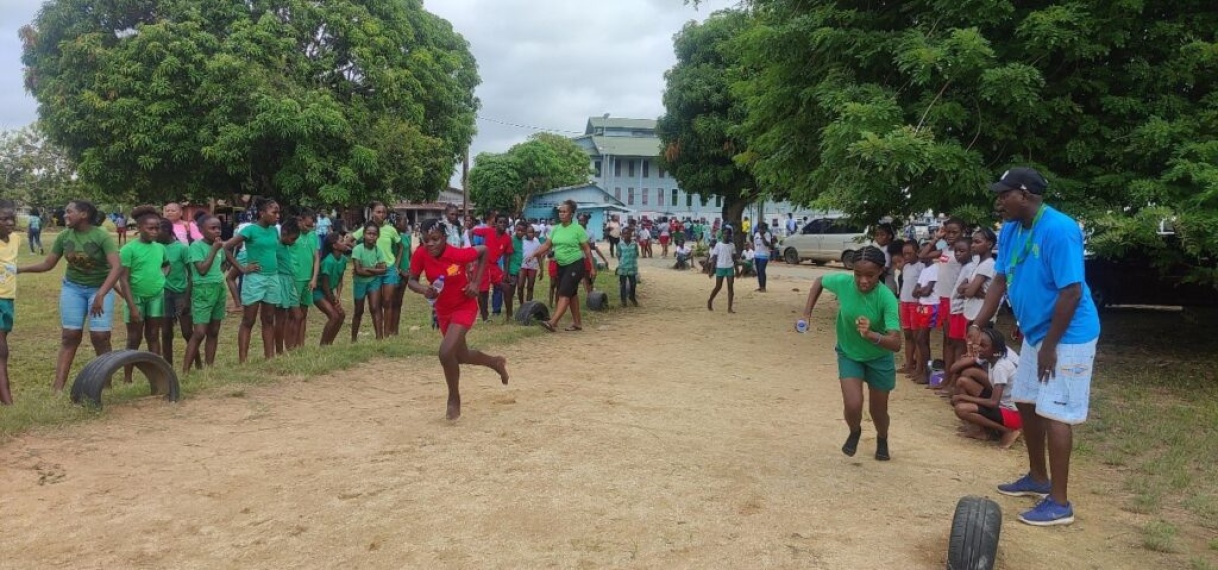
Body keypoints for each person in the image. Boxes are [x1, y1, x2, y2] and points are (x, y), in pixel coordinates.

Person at [970, 167, 1100, 526]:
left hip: (1068, 337)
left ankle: (1059, 503)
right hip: (1037, 333)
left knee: (1056, 411)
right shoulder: (1011, 230)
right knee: (1026, 400)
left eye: (1004, 194)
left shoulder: (1059, 230)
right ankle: (1037, 478)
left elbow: (1071, 291)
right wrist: (979, 322)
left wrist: (1050, 346)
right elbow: (999, 279)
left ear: (1024, 195)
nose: (998, 202)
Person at [800, 246, 902, 460]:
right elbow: (819, 280)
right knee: (853, 404)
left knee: (878, 411)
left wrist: (872, 335)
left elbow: (895, 343)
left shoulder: (886, 298)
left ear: (881, 272)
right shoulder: (844, 284)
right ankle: (854, 431)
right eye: (858, 274)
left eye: (870, 275)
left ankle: (882, 438)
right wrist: (806, 314)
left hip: (879, 357)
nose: (863, 280)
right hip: (849, 353)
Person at [406, 218, 508, 420]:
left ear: (444, 238)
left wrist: (476, 284)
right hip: (443, 311)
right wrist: (424, 290)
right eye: (426, 240)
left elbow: (484, 251)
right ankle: (495, 362)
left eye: (435, 239)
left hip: (464, 306)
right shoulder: (420, 254)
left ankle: (454, 397)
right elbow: (411, 280)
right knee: (460, 356)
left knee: (445, 352)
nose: (430, 244)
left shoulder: (456, 253)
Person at [18, 200, 124, 392]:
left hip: (99, 289)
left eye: (69, 212)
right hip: (73, 288)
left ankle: (105, 383)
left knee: (100, 337)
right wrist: (20, 269)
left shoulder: (101, 236)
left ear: (83, 214)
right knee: (69, 336)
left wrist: (101, 294)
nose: (65, 215)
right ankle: (57, 388)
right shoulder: (64, 236)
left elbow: (117, 267)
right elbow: (48, 264)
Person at [223, 198, 281, 363]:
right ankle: (243, 360)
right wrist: (241, 268)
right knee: (249, 319)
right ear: (262, 213)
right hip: (255, 279)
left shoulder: (274, 231)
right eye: (274, 212)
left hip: (272, 277)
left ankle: (269, 357)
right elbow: (227, 247)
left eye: (278, 212)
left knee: (269, 319)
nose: (278, 216)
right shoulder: (250, 230)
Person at [528, 200, 597, 332]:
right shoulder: (556, 229)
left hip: (575, 264)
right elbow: (547, 245)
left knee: (564, 293)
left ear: (571, 214)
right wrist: (534, 253)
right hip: (561, 265)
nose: (561, 214)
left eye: (565, 211)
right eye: (560, 211)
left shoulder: (578, 229)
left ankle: (553, 322)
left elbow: (587, 249)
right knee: (572, 294)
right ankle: (577, 323)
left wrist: (592, 268)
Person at [118, 207, 168, 383]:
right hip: (136, 299)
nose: (155, 232)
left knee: (154, 335)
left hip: (156, 297)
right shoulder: (128, 249)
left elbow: (166, 265)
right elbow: (123, 280)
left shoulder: (160, 248)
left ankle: (158, 375)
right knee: (134, 338)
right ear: (139, 228)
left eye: (157, 228)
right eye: (150, 228)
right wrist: (132, 306)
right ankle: (127, 377)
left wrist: (162, 278)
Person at [951, 327, 1022, 449]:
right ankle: (980, 430)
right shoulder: (992, 359)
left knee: (961, 409)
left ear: (995, 349)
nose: (978, 348)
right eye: (978, 344)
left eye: (983, 346)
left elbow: (994, 403)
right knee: (963, 382)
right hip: (1003, 405)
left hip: (1012, 414)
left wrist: (964, 397)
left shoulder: (1001, 367)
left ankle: (1008, 430)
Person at [183, 215, 233, 373]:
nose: (217, 231)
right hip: (203, 290)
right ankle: (185, 371)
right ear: (201, 230)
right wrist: (214, 250)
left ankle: (209, 368)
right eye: (212, 228)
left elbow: (224, 263)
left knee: (214, 330)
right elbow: (202, 270)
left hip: (219, 288)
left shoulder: (219, 246)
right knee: (199, 332)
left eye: (219, 227)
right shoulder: (196, 247)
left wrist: (219, 275)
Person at [920, 217, 966, 381]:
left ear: (963, 232)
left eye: (955, 232)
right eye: (948, 232)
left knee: (955, 341)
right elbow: (923, 255)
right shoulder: (944, 248)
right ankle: (946, 377)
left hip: (956, 301)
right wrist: (937, 238)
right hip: (943, 300)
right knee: (947, 339)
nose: (951, 235)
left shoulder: (964, 252)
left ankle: (953, 379)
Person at [355, 202, 401, 337]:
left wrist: (397, 265)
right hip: (373, 271)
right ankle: (379, 335)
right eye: (378, 212)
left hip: (389, 269)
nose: (382, 215)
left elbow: (401, 246)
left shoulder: (391, 229)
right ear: (372, 213)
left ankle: (386, 334)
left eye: (384, 212)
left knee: (388, 301)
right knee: (376, 304)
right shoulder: (367, 229)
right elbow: (351, 238)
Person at [158, 218, 197, 370]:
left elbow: (191, 274)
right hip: (162, 294)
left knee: (187, 332)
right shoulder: (156, 248)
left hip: (180, 293)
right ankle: (168, 367)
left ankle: (196, 363)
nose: (154, 232)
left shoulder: (182, 249)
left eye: (158, 229)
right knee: (166, 333)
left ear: (167, 231)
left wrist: (187, 299)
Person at [941, 237, 974, 395]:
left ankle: (954, 383)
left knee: (959, 347)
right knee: (952, 344)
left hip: (962, 312)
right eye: (956, 251)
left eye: (962, 251)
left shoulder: (970, 267)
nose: (958, 254)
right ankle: (949, 380)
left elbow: (968, 288)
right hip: (955, 310)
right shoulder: (963, 266)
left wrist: (963, 289)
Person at [287, 208, 320, 348]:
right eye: (307, 225)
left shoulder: (313, 236)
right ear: (300, 221)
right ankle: (289, 345)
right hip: (295, 277)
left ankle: (300, 344)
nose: (309, 228)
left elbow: (316, 258)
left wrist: (314, 278)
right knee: (293, 314)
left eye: (311, 225)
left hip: (308, 279)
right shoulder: (292, 235)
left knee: (304, 312)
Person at [351, 222, 387, 342]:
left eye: (374, 234)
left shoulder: (378, 251)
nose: (371, 236)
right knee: (359, 310)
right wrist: (376, 270)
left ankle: (379, 337)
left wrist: (367, 269)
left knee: (375, 307)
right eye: (369, 233)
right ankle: (353, 338)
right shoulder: (357, 249)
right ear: (364, 235)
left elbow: (384, 270)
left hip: (373, 282)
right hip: (359, 282)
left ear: (378, 236)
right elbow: (358, 271)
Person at [314, 232, 351, 346]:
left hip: (329, 292)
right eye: (341, 240)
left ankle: (329, 343)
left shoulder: (344, 259)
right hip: (319, 292)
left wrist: (338, 296)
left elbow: (340, 279)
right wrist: (334, 301)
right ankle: (323, 345)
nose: (345, 242)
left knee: (341, 315)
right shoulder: (328, 262)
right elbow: (325, 286)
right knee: (334, 316)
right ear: (334, 246)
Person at [0, 201, 20, 404]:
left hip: (7, 299)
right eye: (4, 219)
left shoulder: (15, 239)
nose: (9, 222)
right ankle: (8, 402)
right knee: (1, 350)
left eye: (11, 218)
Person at [896, 242, 924, 377]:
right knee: (907, 334)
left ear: (917, 252)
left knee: (916, 335)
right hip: (904, 303)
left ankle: (919, 365)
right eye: (904, 254)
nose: (906, 256)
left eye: (909, 253)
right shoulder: (906, 267)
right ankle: (908, 363)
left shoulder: (921, 266)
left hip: (915, 304)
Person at [961, 228, 997, 329]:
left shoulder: (988, 265)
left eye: (977, 242)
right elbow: (960, 289)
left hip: (981, 317)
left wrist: (970, 288)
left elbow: (969, 293)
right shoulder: (978, 265)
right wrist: (971, 287)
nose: (972, 245)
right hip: (974, 314)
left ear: (989, 244)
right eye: (972, 242)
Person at [912, 252, 939, 385]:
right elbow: (915, 291)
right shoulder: (924, 270)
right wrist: (920, 290)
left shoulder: (935, 269)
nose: (921, 255)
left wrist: (920, 290)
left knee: (921, 339)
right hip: (922, 305)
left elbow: (927, 291)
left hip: (931, 306)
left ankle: (927, 372)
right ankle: (923, 370)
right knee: (921, 339)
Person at [387, 213, 412, 335]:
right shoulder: (391, 238)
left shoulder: (406, 237)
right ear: (396, 223)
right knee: (391, 302)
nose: (406, 224)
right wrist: (400, 271)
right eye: (404, 221)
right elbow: (390, 257)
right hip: (395, 273)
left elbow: (409, 255)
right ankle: (389, 328)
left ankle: (395, 330)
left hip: (406, 273)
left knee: (399, 302)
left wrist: (409, 270)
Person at [706, 229, 737, 313]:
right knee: (718, 287)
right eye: (724, 234)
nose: (726, 235)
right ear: (722, 235)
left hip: (730, 267)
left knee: (730, 287)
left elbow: (734, 259)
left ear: (730, 235)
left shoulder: (732, 245)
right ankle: (710, 300)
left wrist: (737, 270)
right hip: (720, 267)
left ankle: (729, 308)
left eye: (727, 234)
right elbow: (714, 259)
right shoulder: (718, 245)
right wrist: (711, 271)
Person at [517, 225, 542, 304]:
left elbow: (539, 256)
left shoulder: (536, 241)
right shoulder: (522, 241)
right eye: (529, 232)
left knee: (530, 287)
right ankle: (522, 304)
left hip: (532, 267)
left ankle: (528, 306)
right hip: (522, 266)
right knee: (520, 286)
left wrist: (541, 269)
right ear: (525, 233)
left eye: (532, 232)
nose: (531, 234)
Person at [616, 226, 640, 307]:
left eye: (628, 233)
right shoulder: (620, 244)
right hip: (623, 268)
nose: (626, 235)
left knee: (633, 284)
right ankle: (623, 301)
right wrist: (622, 263)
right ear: (622, 235)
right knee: (622, 285)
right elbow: (618, 255)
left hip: (632, 268)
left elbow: (636, 254)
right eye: (625, 233)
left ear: (631, 234)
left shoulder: (634, 244)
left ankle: (632, 297)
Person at [753, 223, 773, 292]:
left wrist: (762, 236)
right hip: (757, 254)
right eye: (760, 228)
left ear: (766, 229)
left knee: (762, 270)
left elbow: (767, 244)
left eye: (763, 228)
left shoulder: (767, 234)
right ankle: (760, 286)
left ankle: (764, 287)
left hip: (764, 255)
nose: (761, 229)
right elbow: (754, 244)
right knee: (758, 271)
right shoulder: (756, 234)